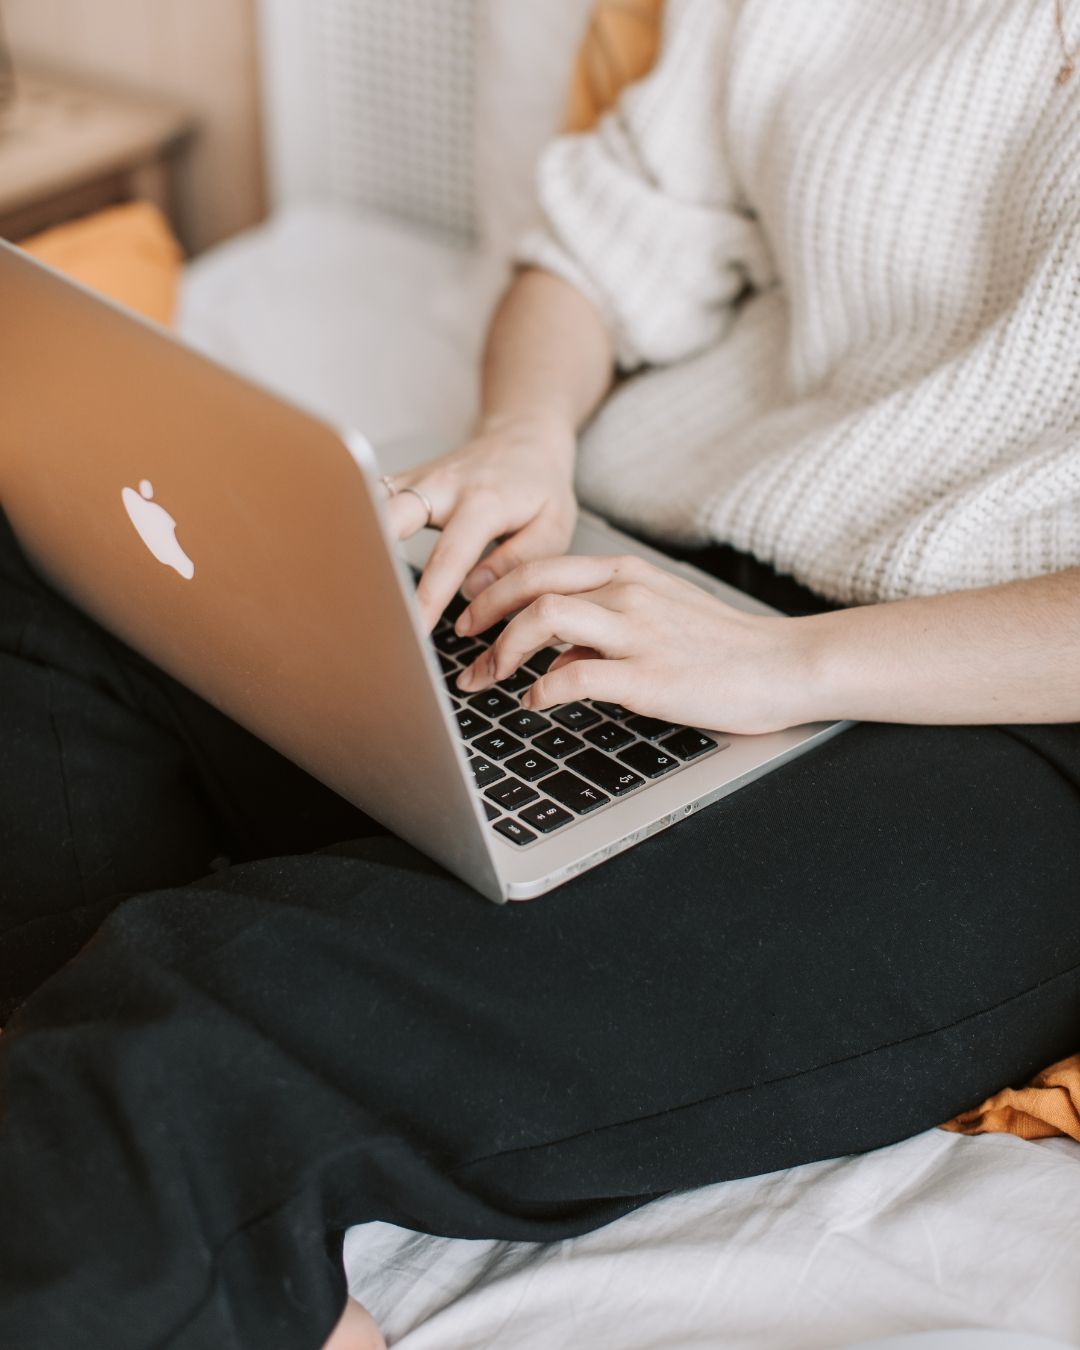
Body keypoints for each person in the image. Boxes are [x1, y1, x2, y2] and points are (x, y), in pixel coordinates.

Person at [3, 2, 1080, 1347]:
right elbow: (597, 251)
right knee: (50, 553)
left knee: (199, 1017)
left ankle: (152, 1182)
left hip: (998, 714)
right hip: (667, 576)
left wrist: (791, 664)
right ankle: (148, 1203)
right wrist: (524, 443)